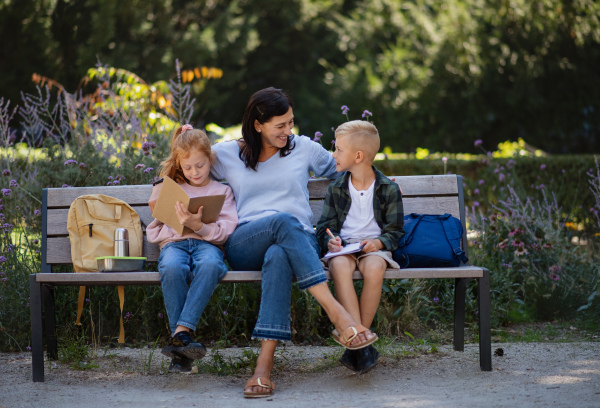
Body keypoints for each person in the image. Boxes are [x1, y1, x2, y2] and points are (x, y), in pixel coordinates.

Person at [211, 87, 378, 398]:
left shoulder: (303, 148)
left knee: (278, 255)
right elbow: (185, 166)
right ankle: (337, 314)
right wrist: (182, 139)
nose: (289, 131)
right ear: (258, 124)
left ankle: (263, 369)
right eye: (280, 125)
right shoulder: (227, 154)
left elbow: (346, 168)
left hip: (298, 242)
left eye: (291, 123)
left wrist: (378, 181)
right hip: (247, 241)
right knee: (282, 221)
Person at [146, 125, 238, 372]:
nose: (194, 172)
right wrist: (169, 216)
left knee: (211, 265)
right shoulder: (172, 189)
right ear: (179, 165)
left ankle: (180, 332)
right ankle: (184, 343)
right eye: (187, 168)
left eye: (200, 165)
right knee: (172, 267)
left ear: (211, 159)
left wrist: (199, 227)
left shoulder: (222, 191)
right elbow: (157, 226)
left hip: (206, 245)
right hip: (175, 245)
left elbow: (226, 230)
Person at [316, 120, 404, 374]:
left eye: (339, 149)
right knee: (340, 268)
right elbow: (325, 227)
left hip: (374, 249)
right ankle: (362, 342)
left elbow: (396, 231)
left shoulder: (388, 188)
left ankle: (356, 341)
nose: (334, 154)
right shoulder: (337, 187)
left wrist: (378, 242)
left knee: (375, 268)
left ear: (358, 156)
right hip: (344, 249)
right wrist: (330, 241)